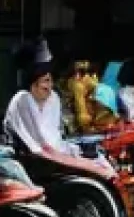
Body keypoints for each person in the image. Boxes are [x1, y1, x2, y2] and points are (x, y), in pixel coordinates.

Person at [5, 40, 113, 176]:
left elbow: (56, 141)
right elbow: (40, 148)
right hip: (31, 162)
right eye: (45, 81)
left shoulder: (53, 98)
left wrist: (81, 155)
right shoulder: (22, 100)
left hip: (55, 156)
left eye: (50, 80)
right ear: (32, 83)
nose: (49, 86)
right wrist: (87, 165)